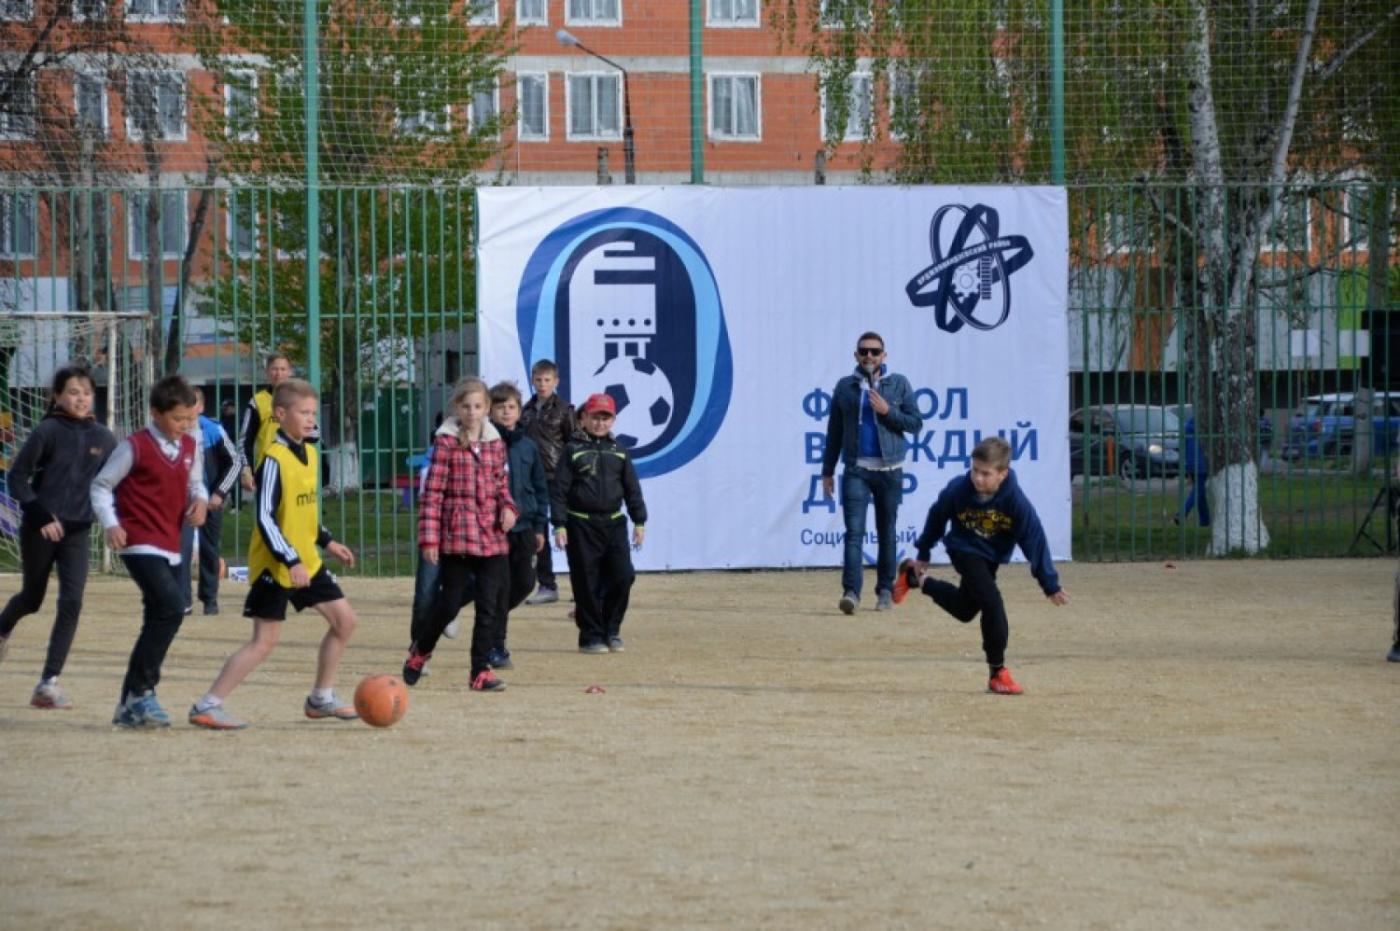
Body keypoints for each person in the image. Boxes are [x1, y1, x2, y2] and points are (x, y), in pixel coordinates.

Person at [188, 379, 359, 730]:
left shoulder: (310, 451)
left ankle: (321, 698)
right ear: (280, 415)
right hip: (276, 565)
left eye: (314, 413)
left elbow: (304, 511)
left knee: (345, 622)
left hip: (305, 561)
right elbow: (265, 517)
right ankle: (208, 704)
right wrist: (290, 560)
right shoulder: (273, 461)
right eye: (303, 413)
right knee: (264, 642)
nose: (311, 419)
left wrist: (326, 542)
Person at [893, 436, 1070, 695]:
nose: (977, 478)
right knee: (992, 602)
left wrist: (1049, 583)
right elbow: (937, 515)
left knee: (965, 610)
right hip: (963, 549)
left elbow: (1034, 539)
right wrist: (924, 551)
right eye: (975, 470)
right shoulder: (958, 490)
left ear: (1002, 474)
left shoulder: (1015, 501)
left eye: (986, 474)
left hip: (990, 556)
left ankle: (914, 579)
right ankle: (997, 672)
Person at [91, 375, 208, 728]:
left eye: (190, 419)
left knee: (157, 615)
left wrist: (200, 500)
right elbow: (100, 485)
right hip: (138, 540)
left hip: (171, 543)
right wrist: (111, 523)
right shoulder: (134, 447)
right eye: (177, 419)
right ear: (155, 413)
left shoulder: (190, 447)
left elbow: (196, 483)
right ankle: (143, 693)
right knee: (173, 608)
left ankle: (128, 707)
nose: (185, 426)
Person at [0, 365, 117, 709]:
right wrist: (40, 514)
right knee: (33, 598)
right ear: (57, 397)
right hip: (40, 528)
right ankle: (3, 627)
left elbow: (119, 482)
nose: (80, 398)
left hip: (78, 532)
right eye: (72, 392)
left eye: (86, 392)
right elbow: (17, 478)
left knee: (72, 602)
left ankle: (48, 684)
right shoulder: (47, 431)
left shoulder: (104, 438)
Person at [402, 377, 517, 692]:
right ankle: (420, 650)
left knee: (490, 604)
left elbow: (501, 486)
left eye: (478, 406)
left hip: (492, 535)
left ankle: (479, 671)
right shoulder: (445, 442)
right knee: (449, 602)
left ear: (487, 409)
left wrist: (509, 509)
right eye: (466, 406)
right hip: (458, 534)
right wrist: (429, 539)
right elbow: (433, 494)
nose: (472, 412)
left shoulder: (496, 442)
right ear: (457, 407)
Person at [820, 332, 922, 614]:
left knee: (887, 532)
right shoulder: (845, 387)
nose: (869, 356)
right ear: (856, 355)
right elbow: (834, 432)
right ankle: (851, 592)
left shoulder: (898, 384)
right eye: (864, 351)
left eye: (875, 352)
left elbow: (915, 424)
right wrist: (827, 471)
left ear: (884, 356)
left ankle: (885, 591)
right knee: (854, 533)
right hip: (856, 470)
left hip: (890, 471)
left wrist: (888, 411)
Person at [552, 393, 646, 654]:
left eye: (606, 418)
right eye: (595, 417)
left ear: (613, 420)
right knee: (586, 582)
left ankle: (612, 629)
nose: (600, 423)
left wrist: (640, 522)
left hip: (614, 524)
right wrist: (559, 525)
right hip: (580, 524)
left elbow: (632, 489)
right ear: (583, 419)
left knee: (623, 576)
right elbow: (559, 490)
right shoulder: (572, 450)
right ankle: (591, 636)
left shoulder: (619, 452)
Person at [486, 380, 550, 669]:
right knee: (498, 588)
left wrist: (539, 526)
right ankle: (495, 645)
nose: (506, 412)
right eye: (500, 407)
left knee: (524, 583)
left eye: (511, 407)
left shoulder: (528, 447)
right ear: (490, 411)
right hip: (495, 530)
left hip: (524, 527)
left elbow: (539, 486)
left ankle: (491, 618)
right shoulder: (485, 444)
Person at [179, 386, 240, 616]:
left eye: (192, 402)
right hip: (182, 501)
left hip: (211, 500)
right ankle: (183, 602)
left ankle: (209, 599)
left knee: (209, 549)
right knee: (181, 549)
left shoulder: (213, 431)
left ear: (201, 407)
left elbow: (235, 463)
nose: (186, 407)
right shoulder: (172, 430)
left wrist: (220, 493)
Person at [520, 359, 576, 606]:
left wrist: (571, 475)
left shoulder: (565, 410)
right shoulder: (526, 410)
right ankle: (547, 585)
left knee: (571, 530)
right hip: (534, 479)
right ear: (532, 380)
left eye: (547, 380)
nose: (542, 384)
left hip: (560, 478)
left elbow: (574, 444)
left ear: (556, 381)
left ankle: (581, 585)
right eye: (538, 379)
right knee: (538, 532)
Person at [238, 352, 320, 493]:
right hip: (269, 470)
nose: (278, 373)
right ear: (267, 372)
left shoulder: (299, 400)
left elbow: (315, 434)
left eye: (283, 369)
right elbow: (244, 441)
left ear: (290, 372)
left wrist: (294, 424)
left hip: (296, 468)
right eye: (274, 369)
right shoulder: (257, 401)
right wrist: (245, 468)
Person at [1178, 416, 1211, 527]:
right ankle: (1182, 513)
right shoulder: (1204, 432)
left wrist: (1187, 468)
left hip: (1191, 465)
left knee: (1200, 492)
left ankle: (1205, 520)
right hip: (1202, 465)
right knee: (1198, 491)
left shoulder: (1186, 431)